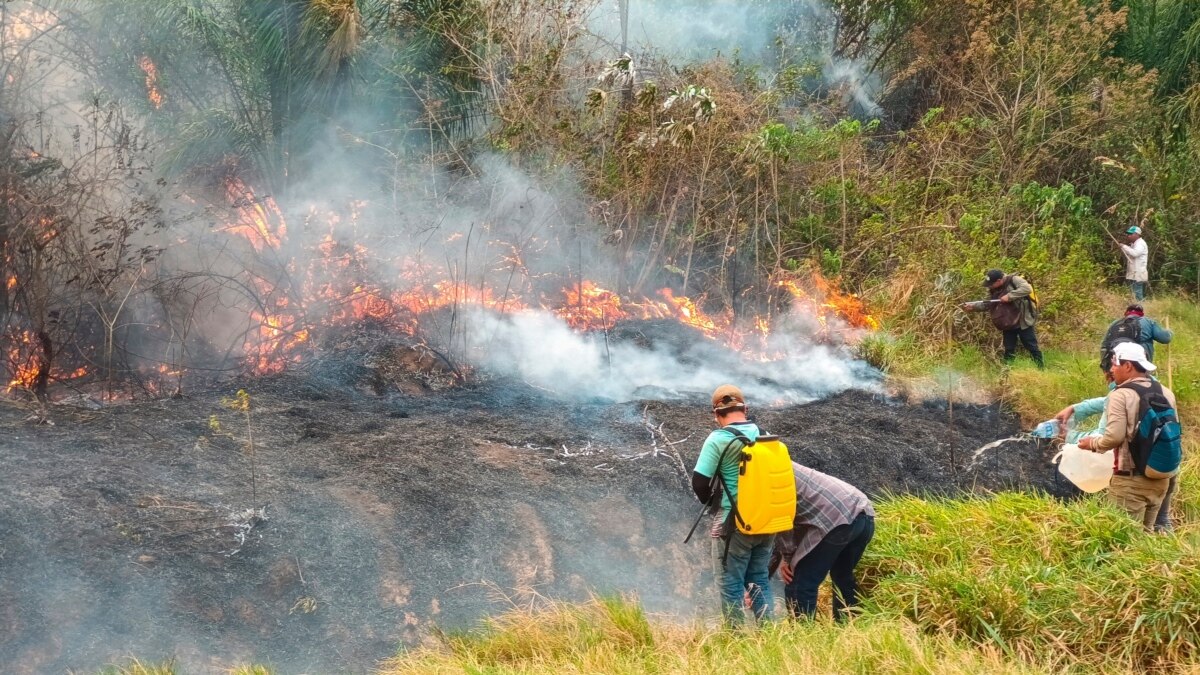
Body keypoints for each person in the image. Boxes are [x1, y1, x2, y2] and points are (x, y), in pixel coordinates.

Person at [692, 384, 775, 626]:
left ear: (716, 414)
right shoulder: (762, 434)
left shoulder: (718, 439)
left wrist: (711, 501)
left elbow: (699, 482)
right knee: (758, 579)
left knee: (730, 585)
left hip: (733, 521)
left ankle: (736, 642)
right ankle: (769, 635)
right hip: (766, 520)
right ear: (745, 409)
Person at [1078, 343, 1178, 530]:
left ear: (1128, 366)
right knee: (1144, 544)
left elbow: (1113, 438)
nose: (1111, 369)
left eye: (1114, 363)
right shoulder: (1166, 392)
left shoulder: (1120, 394)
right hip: (1161, 479)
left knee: (1122, 541)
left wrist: (1091, 443)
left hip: (1131, 482)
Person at [772, 463, 874, 621]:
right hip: (864, 511)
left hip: (835, 517)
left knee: (800, 583)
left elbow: (781, 519)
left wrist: (787, 558)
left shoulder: (765, 476)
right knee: (842, 576)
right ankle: (851, 631)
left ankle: (803, 638)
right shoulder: (780, 460)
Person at [960, 269, 1044, 369]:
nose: (989, 286)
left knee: (1031, 346)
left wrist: (1009, 296)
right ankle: (1007, 371)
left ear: (999, 280)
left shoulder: (1014, 280)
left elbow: (1027, 289)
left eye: (991, 284)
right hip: (1007, 323)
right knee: (1009, 348)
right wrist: (973, 307)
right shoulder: (993, 289)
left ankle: (1040, 368)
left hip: (1023, 321)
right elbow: (988, 304)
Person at [1099, 303, 1172, 371]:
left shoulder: (1115, 323)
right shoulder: (1148, 322)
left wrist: (1105, 367)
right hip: (1139, 364)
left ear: (1126, 313)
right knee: (1145, 381)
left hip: (1116, 363)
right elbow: (1165, 339)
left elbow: (1104, 345)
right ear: (1142, 314)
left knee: (1117, 383)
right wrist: (1169, 332)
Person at [1118, 225, 1149, 301]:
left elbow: (1135, 253)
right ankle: (1136, 310)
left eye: (1130, 234)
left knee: (1138, 295)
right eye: (1128, 234)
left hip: (1138, 274)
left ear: (1137, 235)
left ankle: (1141, 310)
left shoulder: (1140, 244)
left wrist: (1124, 246)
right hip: (1134, 274)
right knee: (1134, 294)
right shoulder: (1134, 244)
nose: (1128, 236)